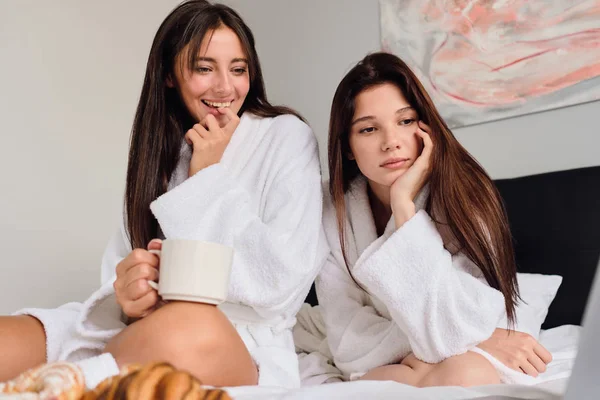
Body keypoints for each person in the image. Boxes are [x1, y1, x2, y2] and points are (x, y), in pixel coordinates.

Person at [1, 0, 323, 389]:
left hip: (238, 342)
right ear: (170, 74)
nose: (225, 86)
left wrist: (207, 178)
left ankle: (62, 387)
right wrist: (128, 294)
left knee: (191, 323)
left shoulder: (286, 137)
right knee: (9, 339)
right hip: (143, 329)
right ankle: (70, 374)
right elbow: (121, 266)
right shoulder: (160, 151)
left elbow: (281, 280)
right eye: (205, 68)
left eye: (238, 69)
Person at [316, 51, 552, 387]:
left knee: (468, 373)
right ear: (349, 146)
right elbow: (347, 339)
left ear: (426, 125)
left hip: (466, 353)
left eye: (406, 121)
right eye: (368, 129)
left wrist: (404, 209)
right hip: (403, 357)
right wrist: (444, 341)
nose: (391, 142)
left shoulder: (463, 197)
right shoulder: (333, 210)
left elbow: (463, 319)